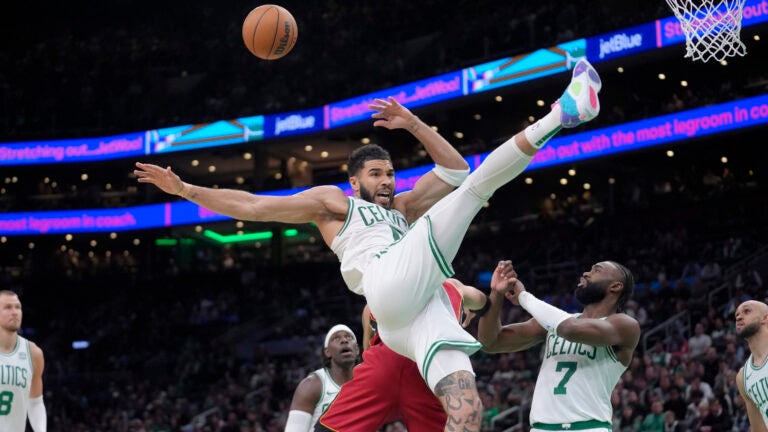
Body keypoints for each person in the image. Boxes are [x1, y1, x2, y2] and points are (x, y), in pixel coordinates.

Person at [135, 59, 603, 430]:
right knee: (477, 191)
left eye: (390, 173)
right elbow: (256, 207)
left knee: (467, 412)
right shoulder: (334, 204)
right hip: (386, 284)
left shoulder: (404, 206)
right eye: (376, 174)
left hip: (416, 316)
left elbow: (454, 168)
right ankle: (563, 113)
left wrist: (413, 123)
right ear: (354, 179)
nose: (386, 180)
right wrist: (189, 191)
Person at [477, 260, 640, 432]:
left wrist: (524, 297)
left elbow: (569, 329)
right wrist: (496, 293)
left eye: (596, 270)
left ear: (615, 286)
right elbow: (491, 342)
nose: (586, 273)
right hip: (541, 428)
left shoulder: (625, 325)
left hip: (588, 427)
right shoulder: (553, 322)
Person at [317, 278, 490, 432]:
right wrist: (479, 304)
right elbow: (484, 302)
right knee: (460, 421)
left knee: (328, 428)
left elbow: (367, 349)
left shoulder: (381, 294)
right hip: (427, 372)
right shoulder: (454, 286)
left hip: (384, 367)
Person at [285, 324, 359, 432]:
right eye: (336, 338)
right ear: (327, 352)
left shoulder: (368, 382)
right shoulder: (312, 385)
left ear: (357, 349)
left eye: (349, 337)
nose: (344, 341)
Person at [0, 290, 47, 432]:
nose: (15, 312)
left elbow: (35, 403)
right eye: (7, 307)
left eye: (18, 307)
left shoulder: (33, 353)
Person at [734, 300, 768, 430]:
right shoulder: (743, 377)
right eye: (736, 315)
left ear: (765, 318)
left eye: (747, 311)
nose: (739, 316)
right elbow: (759, 429)